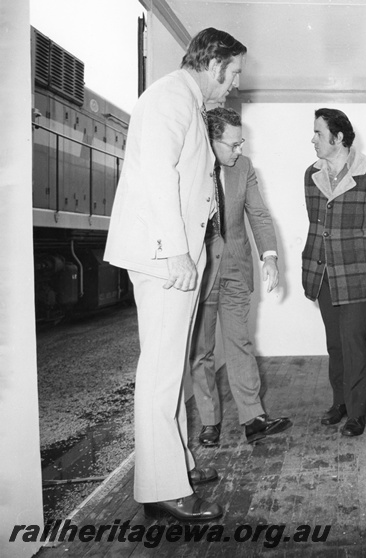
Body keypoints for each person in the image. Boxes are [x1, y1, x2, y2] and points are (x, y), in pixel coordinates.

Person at [104, 28, 247, 522]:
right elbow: (158, 175)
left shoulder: (183, 99)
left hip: (172, 256)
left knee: (171, 370)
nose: (233, 86)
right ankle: (163, 489)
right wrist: (177, 252)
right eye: (233, 75)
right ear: (214, 66)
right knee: (162, 375)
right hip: (165, 258)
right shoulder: (171, 97)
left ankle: (176, 463)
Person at [189, 107, 292, 446]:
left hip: (235, 266)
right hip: (201, 270)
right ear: (210, 141)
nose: (238, 151)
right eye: (231, 145)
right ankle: (209, 422)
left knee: (239, 342)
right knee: (201, 351)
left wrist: (270, 257)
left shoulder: (244, 168)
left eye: (241, 143)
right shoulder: (188, 167)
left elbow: (259, 215)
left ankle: (253, 417)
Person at [302, 108, 366, 437]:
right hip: (323, 272)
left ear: (337, 137)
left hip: (356, 274)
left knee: (354, 342)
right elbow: (317, 224)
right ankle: (340, 402)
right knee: (335, 343)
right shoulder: (310, 175)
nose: (313, 139)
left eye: (318, 133)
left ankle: (357, 412)